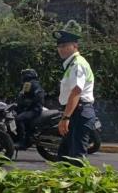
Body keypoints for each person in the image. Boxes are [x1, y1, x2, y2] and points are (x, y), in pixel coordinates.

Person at [54, 23, 97, 161]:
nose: (61, 49)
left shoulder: (77, 64)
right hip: (75, 112)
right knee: (64, 157)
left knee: (76, 157)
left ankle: (83, 182)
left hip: (78, 112)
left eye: (65, 46)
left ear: (75, 46)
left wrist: (65, 118)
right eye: (59, 46)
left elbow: (76, 91)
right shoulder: (72, 64)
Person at [14, 69, 46, 149]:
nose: (22, 77)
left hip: (34, 109)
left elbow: (25, 97)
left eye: (23, 75)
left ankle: (22, 142)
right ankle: (27, 139)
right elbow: (23, 96)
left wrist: (24, 103)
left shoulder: (30, 84)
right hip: (33, 108)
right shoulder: (32, 84)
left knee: (19, 119)